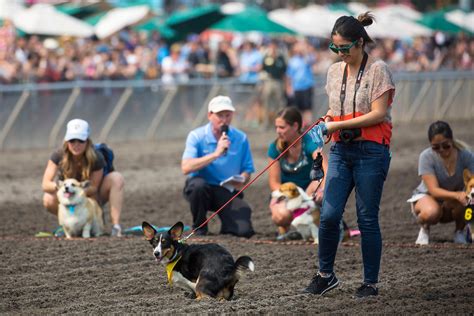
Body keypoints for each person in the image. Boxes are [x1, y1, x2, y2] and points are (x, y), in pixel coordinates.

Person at [304, 12, 395, 298]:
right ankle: (325, 275)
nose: (340, 54)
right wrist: (325, 126)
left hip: (371, 151)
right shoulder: (333, 72)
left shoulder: (378, 70)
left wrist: (336, 124)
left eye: (344, 48)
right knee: (329, 215)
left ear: (360, 43)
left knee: (367, 218)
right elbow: (336, 111)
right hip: (342, 150)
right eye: (335, 48)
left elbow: (378, 114)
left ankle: (370, 283)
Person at [181, 95, 255, 238]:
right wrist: (216, 154)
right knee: (198, 186)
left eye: (228, 115)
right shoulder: (196, 136)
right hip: (202, 190)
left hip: (226, 191)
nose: (224, 120)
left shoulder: (241, 138)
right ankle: (200, 227)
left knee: (244, 231)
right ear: (210, 115)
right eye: (220, 115)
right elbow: (186, 167)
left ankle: (228, 226)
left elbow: (247, 170)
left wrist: (242, 179)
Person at [42, 119, 125, 237]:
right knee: (48, 198)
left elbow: (94, 188)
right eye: (72, 140)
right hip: (68, 197)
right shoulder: (58, 155)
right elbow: (45, 184)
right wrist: (62, 188)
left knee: (117, 178)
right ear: (67, 141)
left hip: (91, 198)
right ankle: (67, 225)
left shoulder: (96, 156)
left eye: (80, 140)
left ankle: (116, 227)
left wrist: (78, 191)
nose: (76, 145)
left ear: (87, 141)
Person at [408, 121, 474, 245]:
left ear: (452, 141)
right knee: (431, 212)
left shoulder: (466, 156)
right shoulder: (426, 157)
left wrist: (464, 196)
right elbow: (434, 190)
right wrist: (457, 195)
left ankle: (460, 231)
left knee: (469, 201)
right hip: (429, 197)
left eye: (446, 146)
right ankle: (424, 228)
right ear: (430, 145)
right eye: (436, 147)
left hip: (455, 201)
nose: (442, 150)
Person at [267, 107, 327, 239]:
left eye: (282, 127)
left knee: (319, 180)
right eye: (276, 127)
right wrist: (293, 196)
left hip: (309, 192)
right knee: (280, 216)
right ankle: (287, 226)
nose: (278, 131)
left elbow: (325, 167)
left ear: (295, 126)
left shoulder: (309, 141)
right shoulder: (274, 148)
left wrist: (322, 189)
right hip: (288, 194)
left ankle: (315, 222)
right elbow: (274, 182)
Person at [285, 40, 316, 128]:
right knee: (298, 108)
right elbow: (289, 75)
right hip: (296, 87)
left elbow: (311, 60)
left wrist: (304, 50)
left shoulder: (307, 57)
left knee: (307, 108)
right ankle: (301, 125)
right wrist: (288, 87)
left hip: (307, 86)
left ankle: (308, 125)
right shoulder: (292, 60)